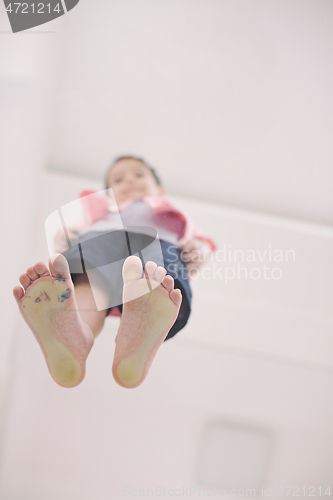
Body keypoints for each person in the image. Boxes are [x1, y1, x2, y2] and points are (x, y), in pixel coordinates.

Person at [13, 156, 216, 389]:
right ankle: (76, 333)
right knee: (88, 284)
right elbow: (72, 235)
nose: (129, 180)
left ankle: (137, 329)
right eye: (118, 180)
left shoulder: (172, 212)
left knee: (153, 280)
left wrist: (200, 250)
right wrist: (64, 238)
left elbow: (201, 242)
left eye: (139, 175)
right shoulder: (98, 214)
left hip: (155, 243)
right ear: (110, 194)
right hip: (102, 241)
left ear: (160, 190)